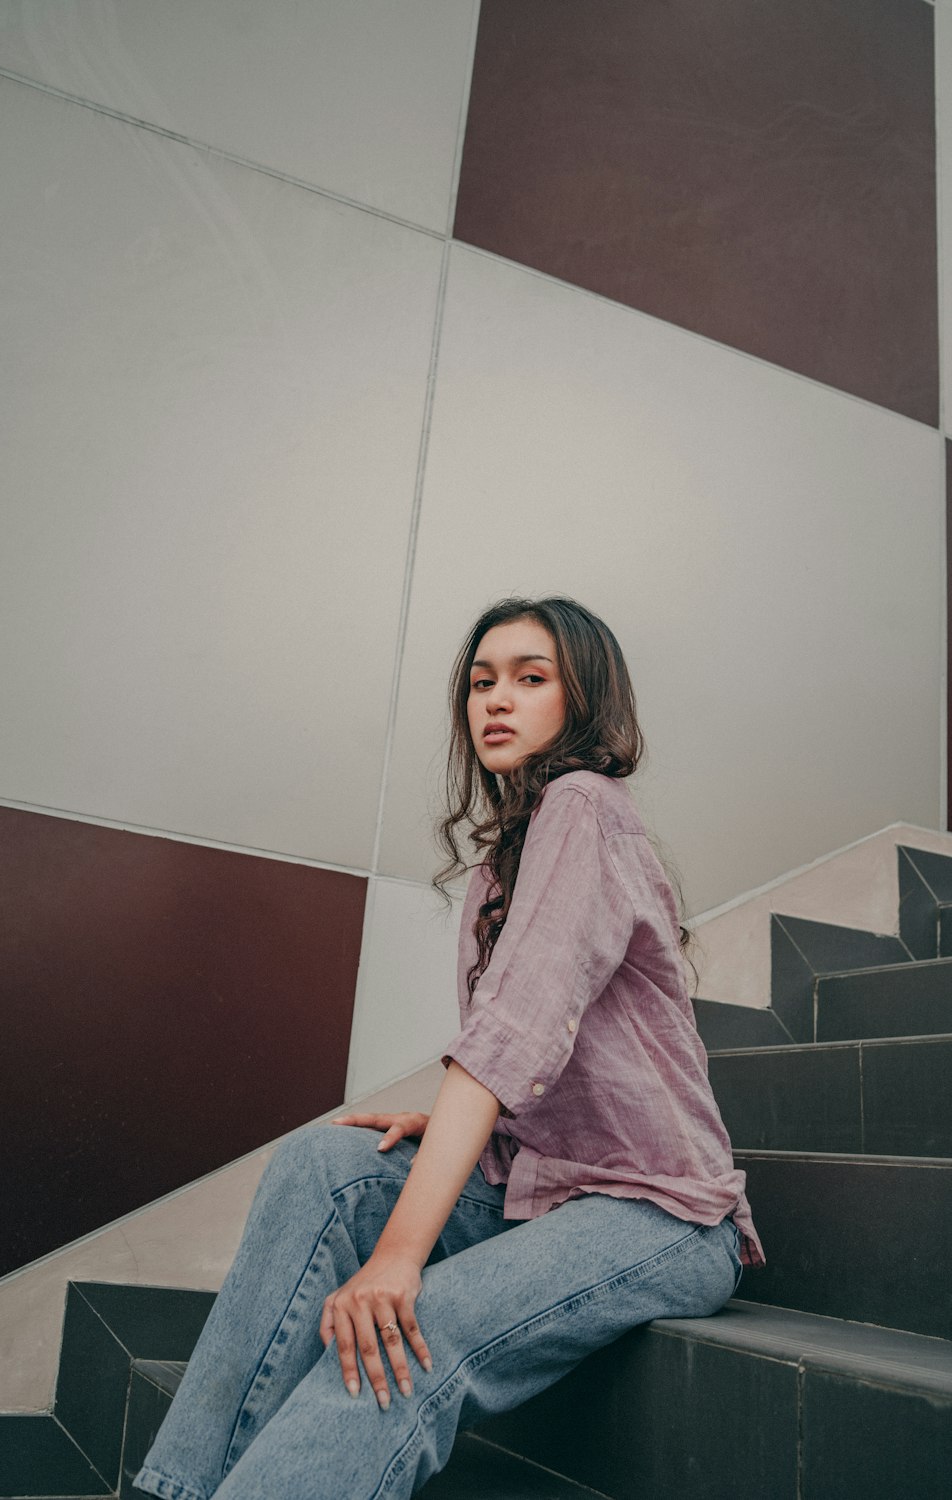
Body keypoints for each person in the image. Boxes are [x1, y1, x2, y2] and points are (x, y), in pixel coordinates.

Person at [134, 595, 763, 1500]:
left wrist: (398, 1256)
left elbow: (513, 1039)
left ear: (582, 702)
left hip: (659, 1214)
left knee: (412, 1321)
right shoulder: (496, 868)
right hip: (543, 1185)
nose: (495, 700)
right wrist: (455, 1125)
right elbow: (532, 1061)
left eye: (530, 679)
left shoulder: (585, 807)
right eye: (481, 682)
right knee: (324, 1163)